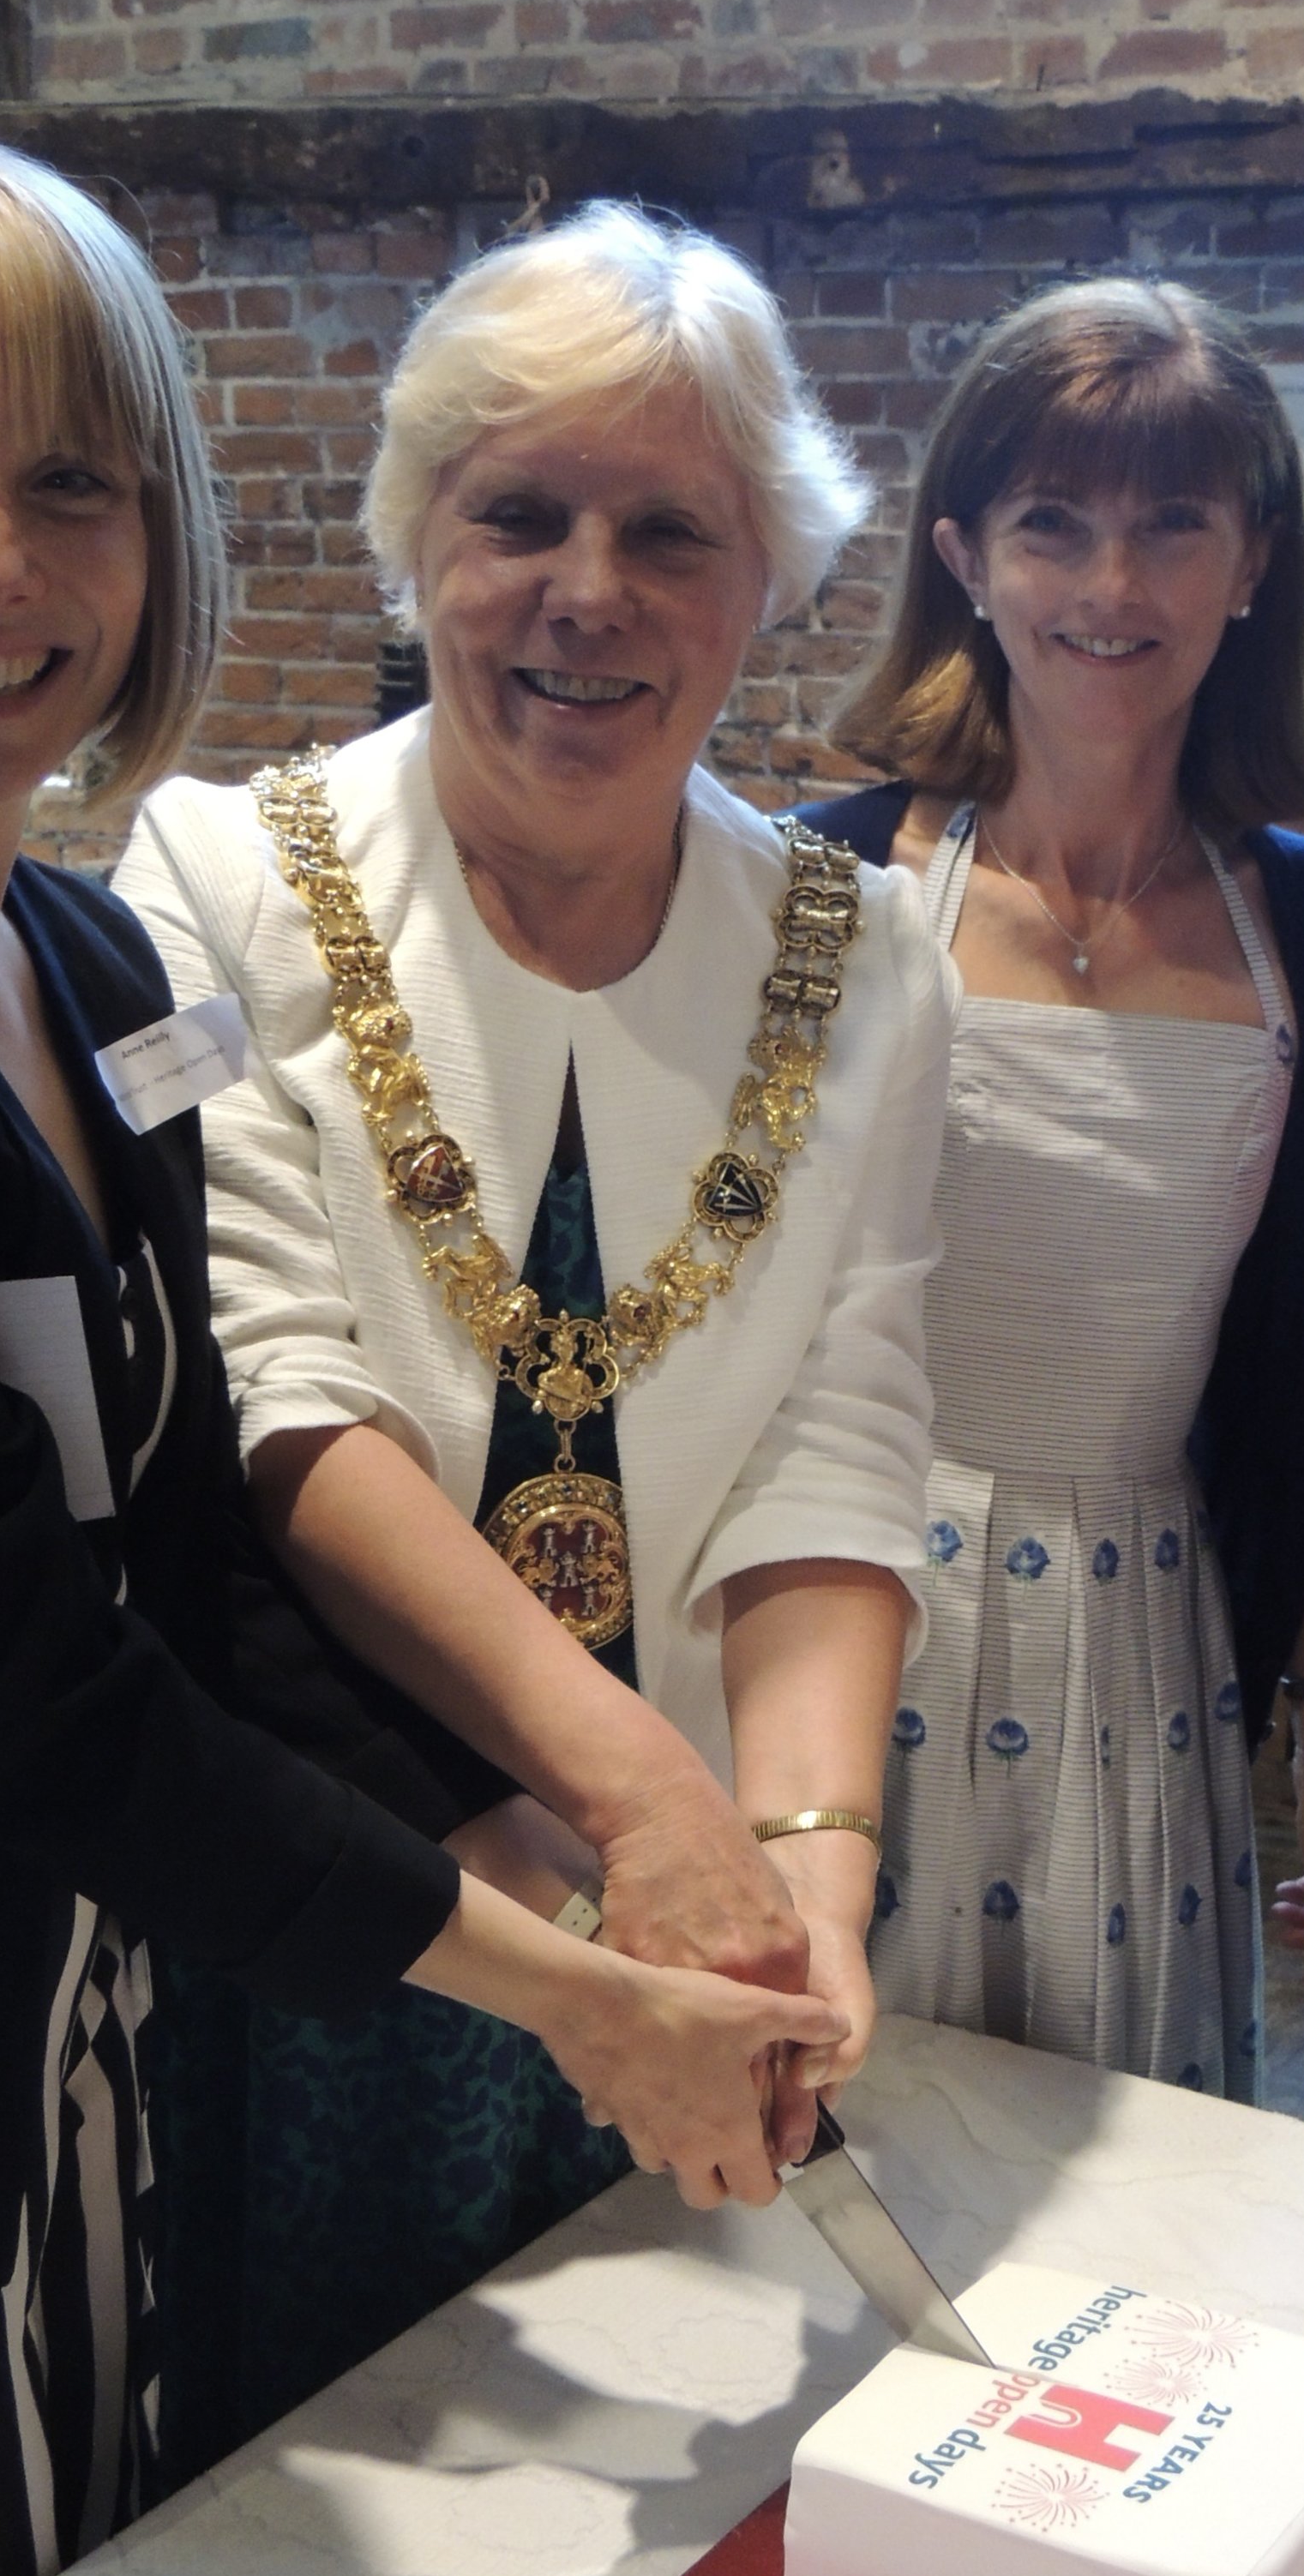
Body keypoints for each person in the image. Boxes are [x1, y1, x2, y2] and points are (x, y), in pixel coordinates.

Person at [0, 126, 844, 2576]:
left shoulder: (87, 964)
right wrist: (559, 1980)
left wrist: (557, 1833)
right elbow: (0, 1670)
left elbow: (200, 1549)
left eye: (67, 479)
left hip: (63, 2054)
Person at [114, 201, 952, 2450]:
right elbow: (268, 1397)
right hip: (357, 1899)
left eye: (670, 528)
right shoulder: (207, 883)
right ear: (411, 543)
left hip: (704, 1930)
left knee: (711, 2521)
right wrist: (631, 1809)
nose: (589, 590)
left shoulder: (868, 955)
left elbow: (842, 1440)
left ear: (767, 577)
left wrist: (803, 1881)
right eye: (517, 516)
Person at [798, 276, 1304, 2091]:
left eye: (1169, 524)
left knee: (1121, 2172)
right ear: (964, 553)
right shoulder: (814, 891)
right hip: (848, 1609)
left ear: (1250, 561)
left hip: (1147, 1629)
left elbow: (1302, 1344)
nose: (1111, 589)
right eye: (1053, 524)